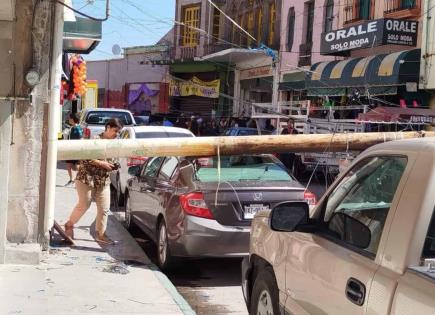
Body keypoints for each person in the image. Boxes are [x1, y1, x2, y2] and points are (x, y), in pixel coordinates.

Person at [64, 118, 123, 245]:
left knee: (104, 209)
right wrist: (102, 163)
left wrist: (114, 165)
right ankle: (69, 225)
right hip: (87, 180)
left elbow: (114, 160)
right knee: (84, 205)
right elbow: (84, 158)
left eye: (118, 132)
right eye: (115, 131)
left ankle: (101, 235)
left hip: (103, 182)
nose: (116, 134)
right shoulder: (95, 140)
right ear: (107, 128)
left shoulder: (114, 144)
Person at [65, 113, 83, 186]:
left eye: (70, 118)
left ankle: (77, 180)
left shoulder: (77, 128)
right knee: (69, 164)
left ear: (73, 119)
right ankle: (72, 179)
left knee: (77, 165)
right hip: (71, 148)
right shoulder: (72, 127)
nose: (69, 119)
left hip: (75, 149)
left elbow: (80, 138)